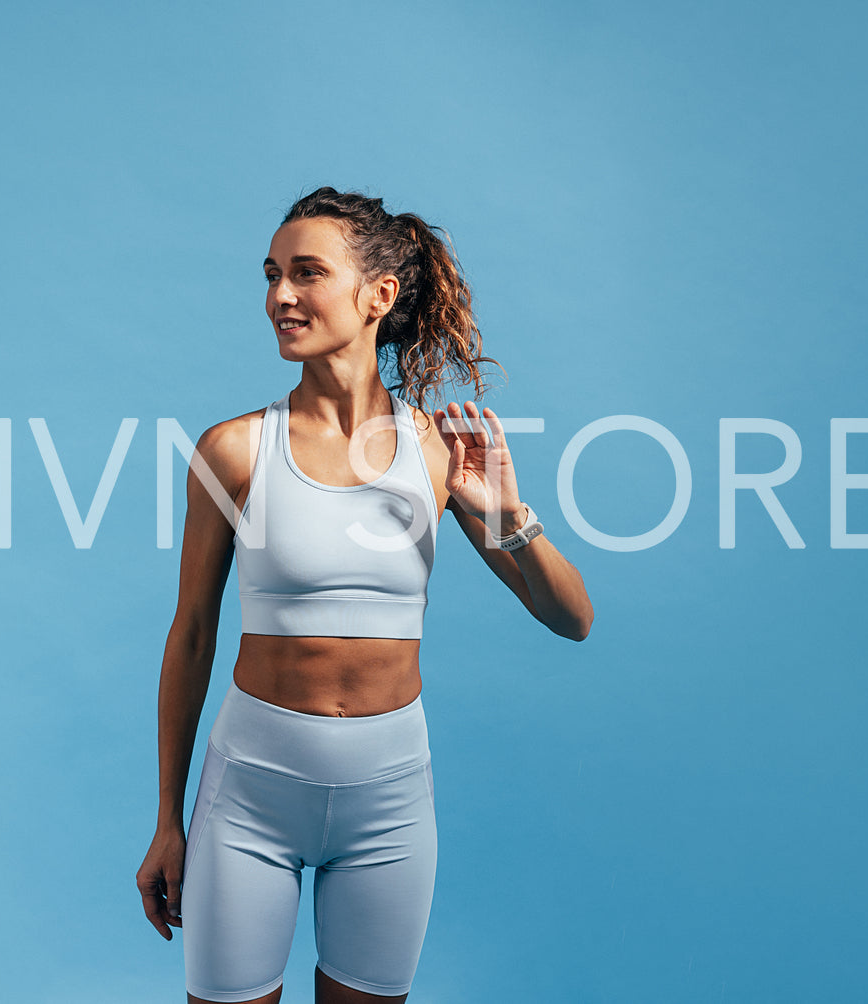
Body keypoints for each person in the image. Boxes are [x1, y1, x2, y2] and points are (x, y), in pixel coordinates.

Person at [136, 186, 594, 1003]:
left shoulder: (437, 450)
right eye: (271, 274)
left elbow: (572, 620)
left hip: (387, 801)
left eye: (306, 273)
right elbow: (193, 633)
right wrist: (169, 820)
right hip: (250, 795)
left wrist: (510, 516)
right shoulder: (235, 449)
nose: (280, 296)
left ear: (378, 295)